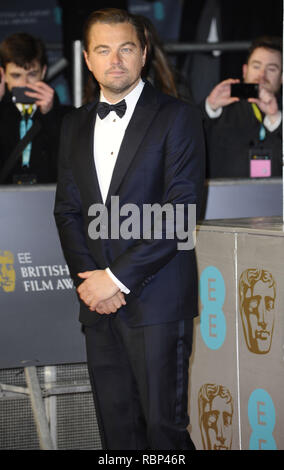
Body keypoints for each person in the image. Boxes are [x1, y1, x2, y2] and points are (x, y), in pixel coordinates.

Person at [54, 8, 205, 450]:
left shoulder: (177, 117)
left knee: (165, 435)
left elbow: (181, 212)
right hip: (98, 306)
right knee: (118, 437)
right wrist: (91, 282)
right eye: (103, 49)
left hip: (158, 299)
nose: (114, 59)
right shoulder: (73, 125)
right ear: (87, 58)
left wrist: (115, 279)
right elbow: (67, 212)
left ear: (143, 55)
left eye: (125, 48)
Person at [201, 36, 282, 178]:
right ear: (245, 71)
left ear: (282, 77)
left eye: (271, 69)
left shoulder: (280, 116)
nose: (262, 75)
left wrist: (275, 119)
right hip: (225, 196)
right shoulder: (221, 108)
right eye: (256, 66)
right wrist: (210, 107)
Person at [0, 32, 72, 184]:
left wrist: (50, 116)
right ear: (3, 75)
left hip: (49, 200)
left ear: (43, 72)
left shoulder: (67, 116)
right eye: (16, 75)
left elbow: (70, 167)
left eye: (32, 74)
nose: (25, 83)